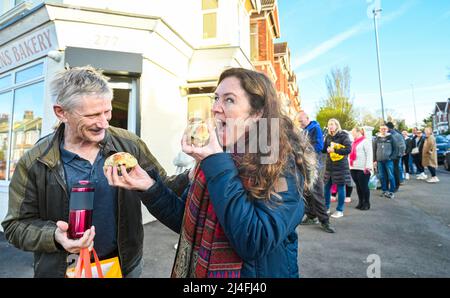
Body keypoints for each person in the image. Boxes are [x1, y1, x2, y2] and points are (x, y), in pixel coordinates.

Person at [105, 68, 318, 278]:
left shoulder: (279, 164)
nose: (216, 108)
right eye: (216, 98)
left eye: (229, 100)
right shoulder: (218, 157)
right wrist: (150, 188)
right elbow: (188, 222)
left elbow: (254, 241)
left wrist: (215, 162)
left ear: (257, 113)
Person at [1, 66, 189, 278]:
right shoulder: (35, 161)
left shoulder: (130, 145)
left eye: (106, 112)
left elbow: (164, 187)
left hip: (124, 267)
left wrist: (194, 174)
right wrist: (55, 236)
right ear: (61, 112)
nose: (103, 123)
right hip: (61, 271)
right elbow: (15, 226)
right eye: (92, 115)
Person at [297, 111, 335, 233]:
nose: (299, 123)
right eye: (298, 122)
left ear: (307, 118)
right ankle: (311, 216)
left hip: (314, 166)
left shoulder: (315, 128)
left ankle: (325, 221)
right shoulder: (304, 130)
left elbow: (319, 147)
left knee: (317, 193)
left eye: (301, 121)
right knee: (307, 192)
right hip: (305, 165)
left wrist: (302, 148)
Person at [322, 118, 352, 218]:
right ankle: (326, 208)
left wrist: (334, 150)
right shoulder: (328, 136)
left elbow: (348, 150)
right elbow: (323, 150)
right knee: (326, 188)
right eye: (329, 124)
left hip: (340, 166)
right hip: (329, 166)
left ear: (336, 125)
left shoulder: (343, 135)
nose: (330, 126)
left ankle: (340, 210)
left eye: (332, 124)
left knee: (340, 187)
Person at [349, 126, 373, 210]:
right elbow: (350, 155)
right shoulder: (353, 142)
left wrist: (368, 167)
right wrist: (350, 166)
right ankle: (360, 202)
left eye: (353, 132)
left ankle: (366, 203)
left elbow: (369, 154)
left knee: (364, 186)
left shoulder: (365, 141)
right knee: (358, 187)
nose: (352, 134)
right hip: (354, 167)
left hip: (363, 168)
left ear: (358, 132)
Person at [373, 124, 396, 199]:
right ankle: (384, 190)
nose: (383, 130)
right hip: (379, 161)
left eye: (384, 129)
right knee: (382, 176)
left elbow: (396, 149)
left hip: (388, 161)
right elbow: (374, 150)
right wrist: (374, 160)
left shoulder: (391, 137)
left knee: (390, 176)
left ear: (387, 129)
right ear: (379, 130)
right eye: (381, 129)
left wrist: (391, 157)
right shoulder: (377, 138)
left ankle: (391, 191)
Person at [386, 122, 405, 191]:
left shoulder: (397, 135)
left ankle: (396, 186)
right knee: (387, 171)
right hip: (387, 156)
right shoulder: (387, 135)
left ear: (388, 128)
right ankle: (386, 185)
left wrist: (399, 155)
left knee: (395, 171)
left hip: (395, 156)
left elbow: (402, 145)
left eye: (385, 127)